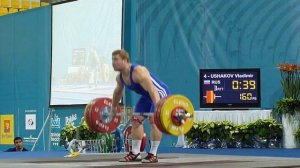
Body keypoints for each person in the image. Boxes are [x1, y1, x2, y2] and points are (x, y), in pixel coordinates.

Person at [111, 49, 170, 163]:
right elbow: (118, 92)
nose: (113, 63)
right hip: (147, 96)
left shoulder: (138, 71)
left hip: (159, 93)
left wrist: (157, 108)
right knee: (135, 120)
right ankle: (135, 153)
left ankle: (153, 154)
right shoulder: (120, 78)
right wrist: (113, 108)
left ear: (125, 60)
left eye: (116, 60)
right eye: (112, 60)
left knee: (154, 120)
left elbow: (152, 90)